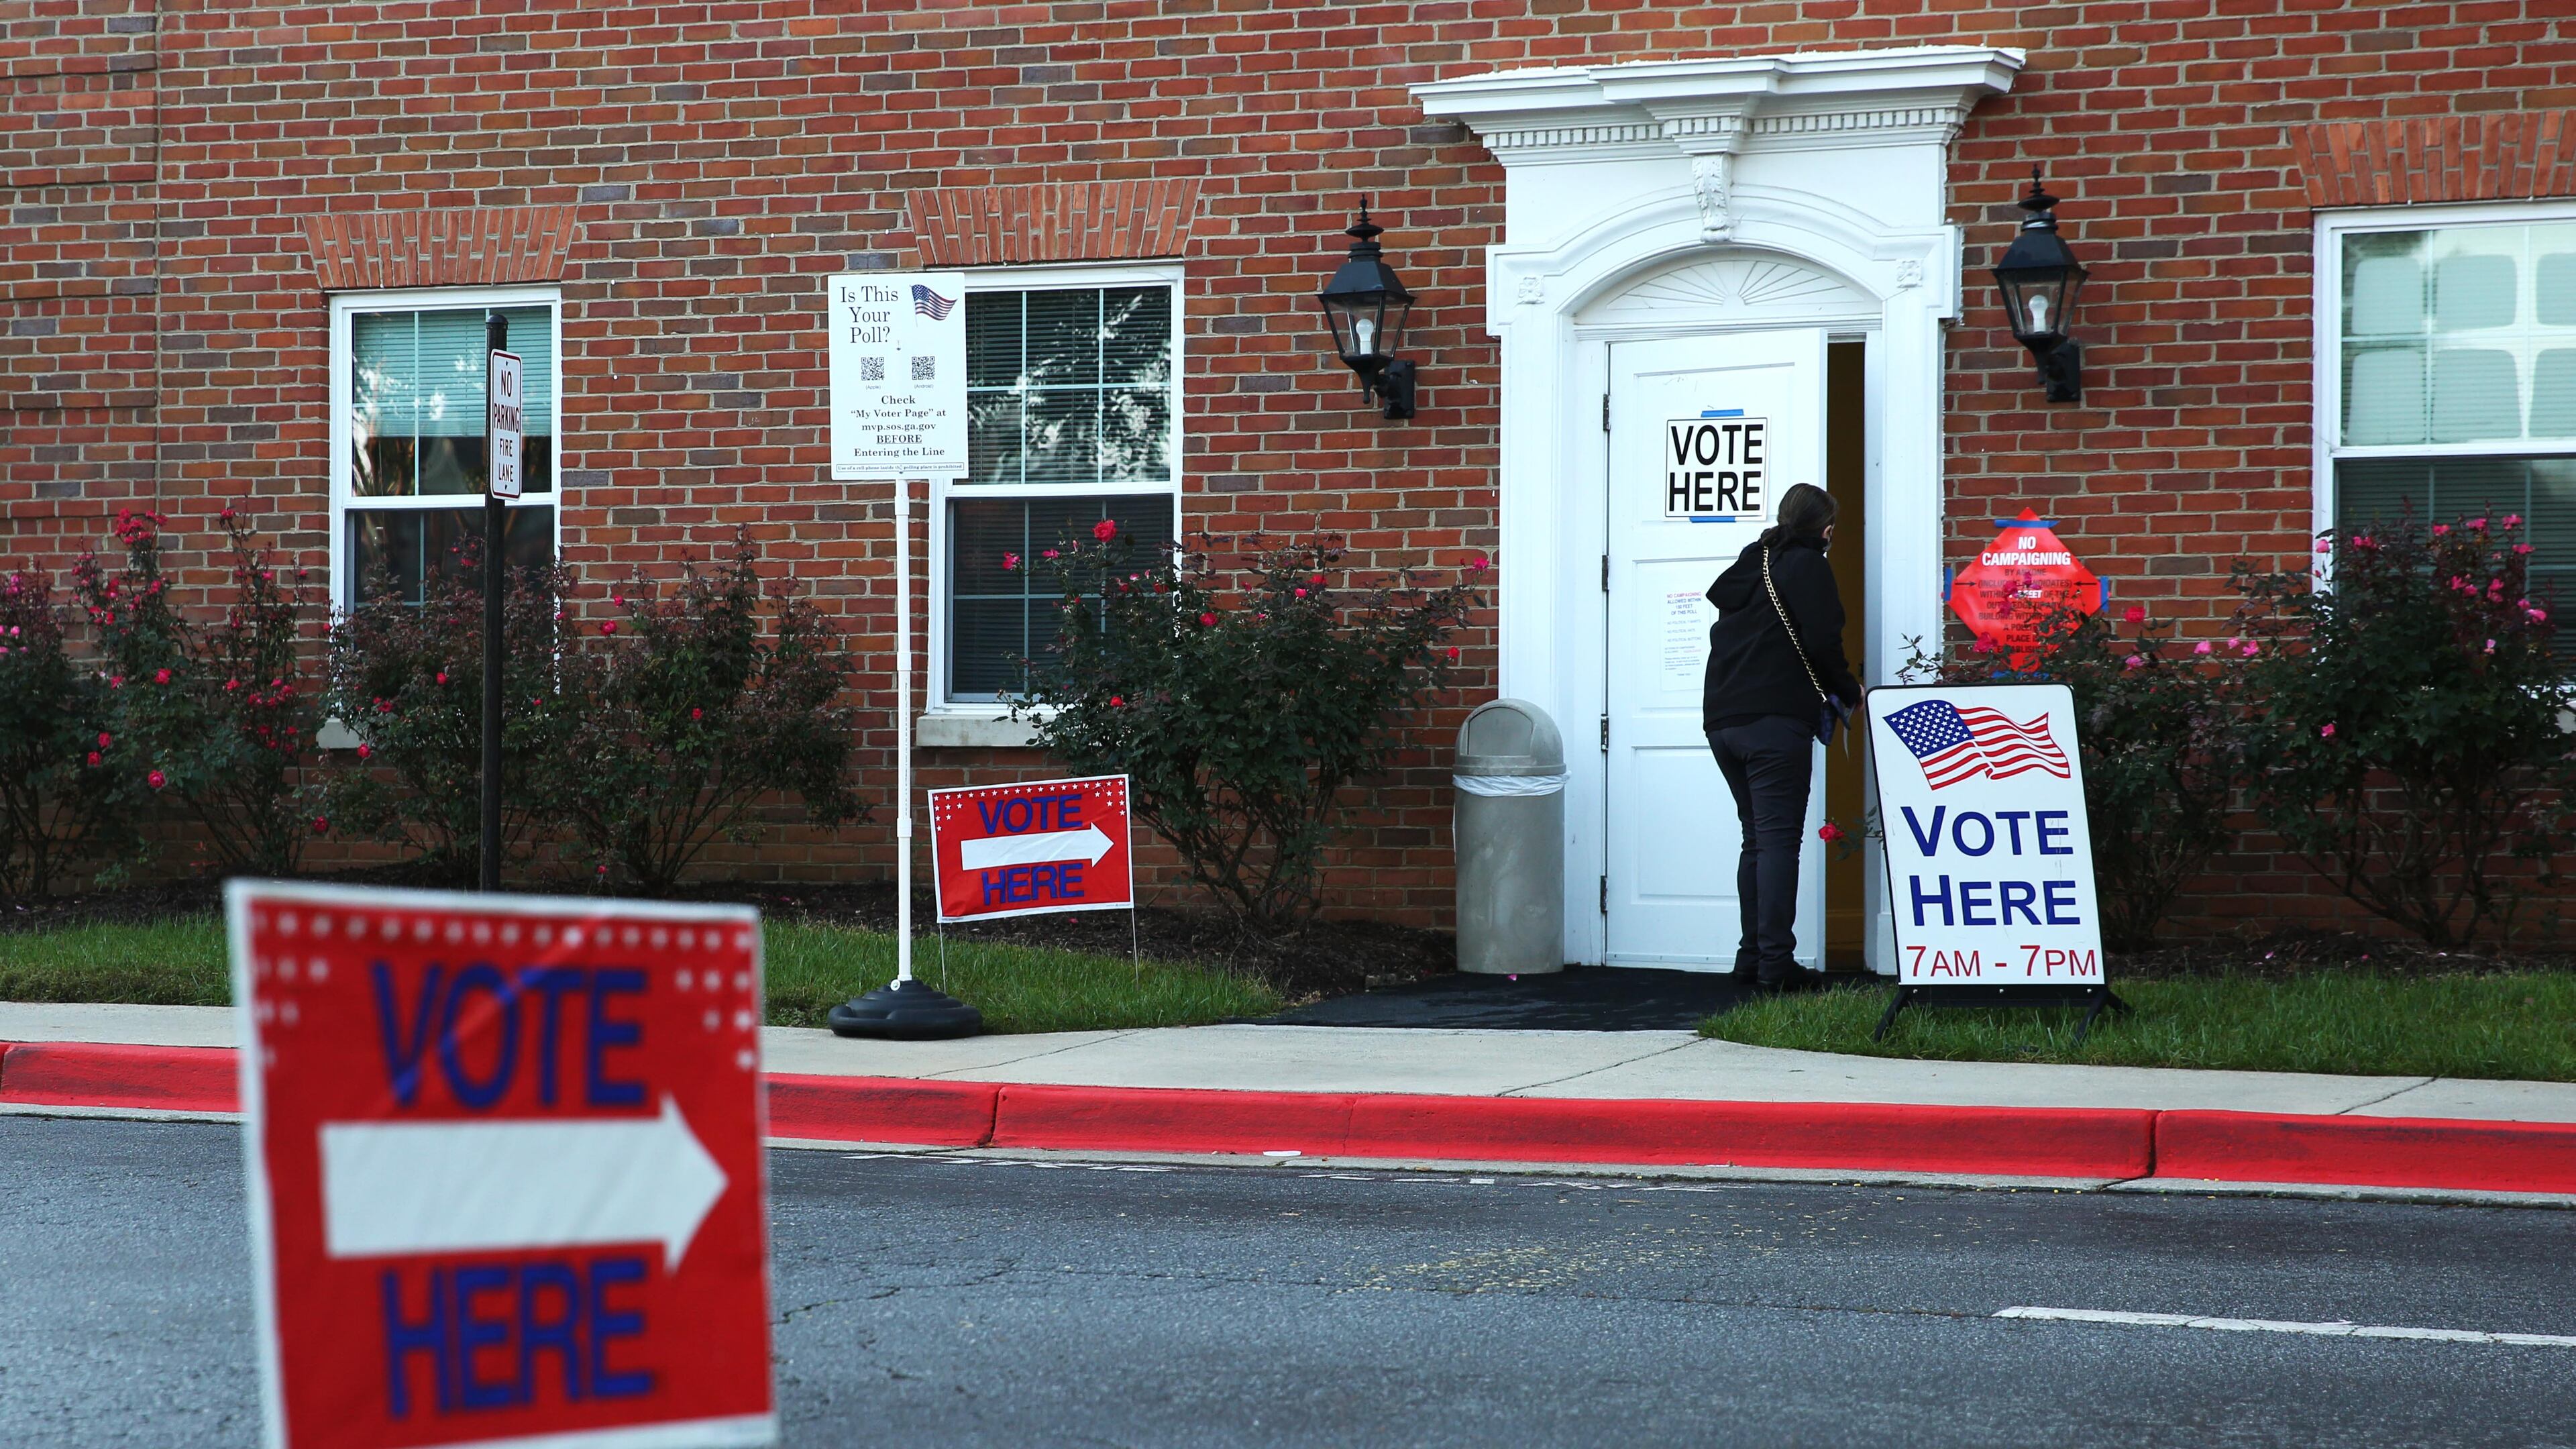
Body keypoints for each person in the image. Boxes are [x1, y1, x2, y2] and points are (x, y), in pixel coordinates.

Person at [1701, 482, 1864, 993]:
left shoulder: (1752, 564)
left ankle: (1751, 960)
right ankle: (1776, 968)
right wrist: (1847, 689)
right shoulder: (1807, 565)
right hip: (1774, 722)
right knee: (1777, 843)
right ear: (1828, 529)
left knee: (1757, 839)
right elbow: (1821, 639)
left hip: (1724, 721)